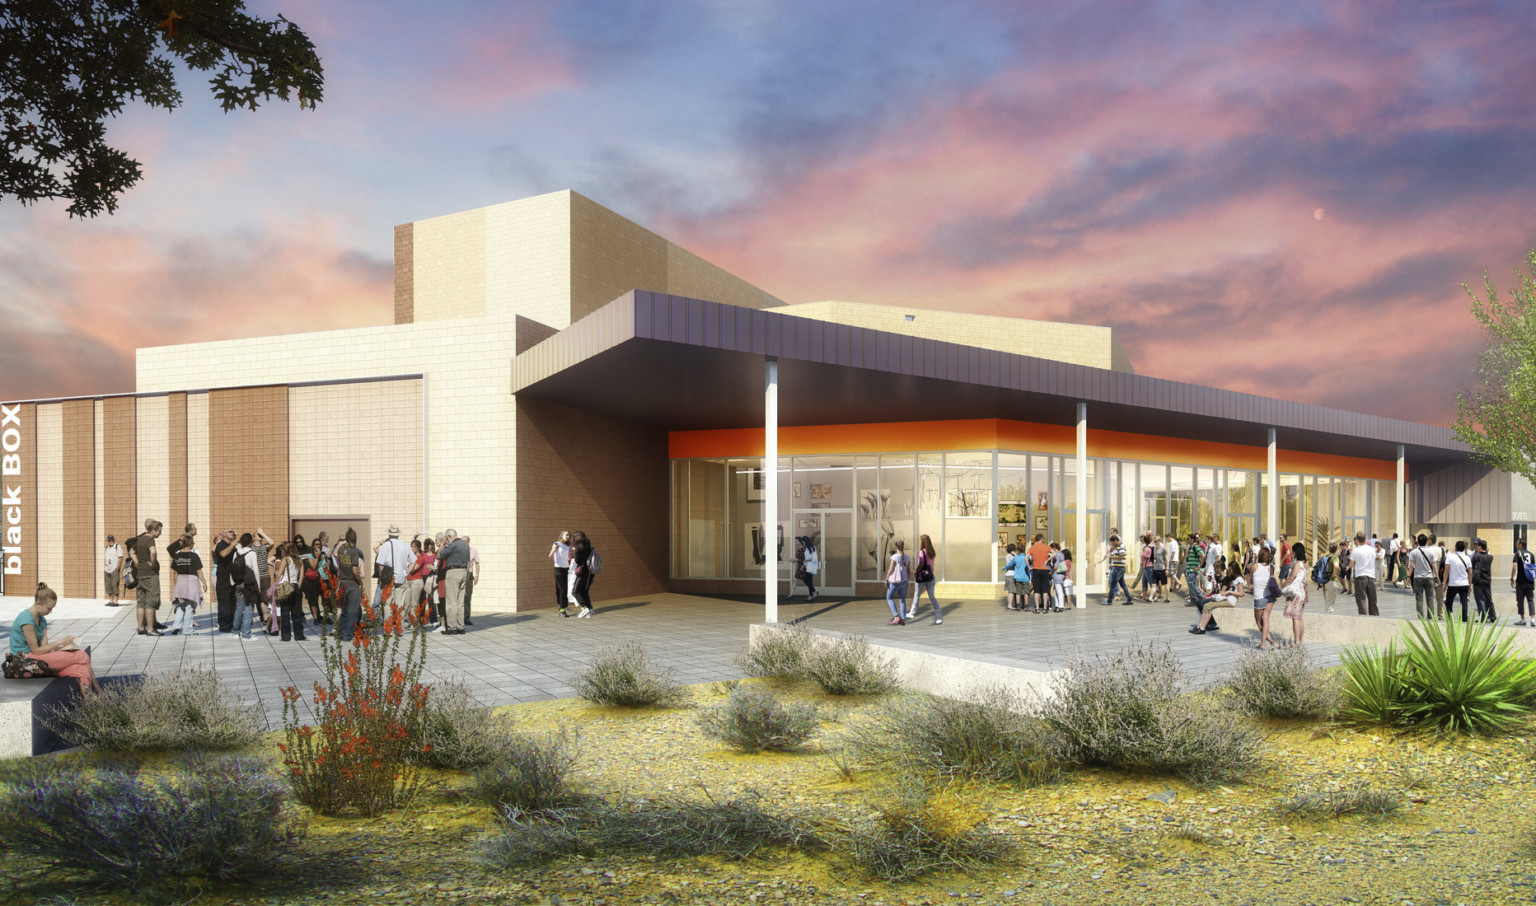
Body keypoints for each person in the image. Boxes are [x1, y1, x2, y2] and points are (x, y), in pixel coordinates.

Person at [10, 583, 102, 693]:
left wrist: (64, 646)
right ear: (38, 604)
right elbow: (35, 651)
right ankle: (100, 692)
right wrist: (60, 641)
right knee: (81, 655)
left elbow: (44, 648)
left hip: (37, 658)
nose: (50, 612)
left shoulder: (41, 620)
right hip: (25, 660)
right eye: (49, 608)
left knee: (82, 670)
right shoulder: (26, 619)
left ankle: (91, 702)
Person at [167, 533, 206, 636]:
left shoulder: (177, 556)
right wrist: (204, 583)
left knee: (180, 606)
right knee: (190, 607)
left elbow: (174, 572)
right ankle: (188, 630)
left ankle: (176, 626)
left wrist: (176, 585)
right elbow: (199, 571)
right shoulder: (194, 556)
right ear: (190, 544)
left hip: (180, 581)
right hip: (192, 581)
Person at [332, 528, 367, 641]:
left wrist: (341, 543)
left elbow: (334, 553)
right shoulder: (354, 552)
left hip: (342, 584)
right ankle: (347, 634)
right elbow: (355, 571)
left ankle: (340, 633)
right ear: (355, 540)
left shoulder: (341, 550)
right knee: (352, 611)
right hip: (352, 584)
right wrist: (360, 583)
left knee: (344, 610)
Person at [130, 519, 163, 636]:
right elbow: (153, 552)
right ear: (153, 530)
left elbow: (131, 552)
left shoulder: (140, 539)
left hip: (140, 574)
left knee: (141, 602)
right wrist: (153, 563)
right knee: (151, 602)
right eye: (159, 531)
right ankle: (150, 629)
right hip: (150, 575)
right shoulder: (150, 539)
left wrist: (138, 563)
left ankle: (140, 628)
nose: (160, 533)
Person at [272, 542, 307, 641]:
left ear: (287, 550)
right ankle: (299, 635)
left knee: (285, 611)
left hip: (285, 586)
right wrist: (298, 586)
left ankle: (286, 636)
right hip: (295, 586)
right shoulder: (299, 560)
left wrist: (274, 586)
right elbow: (301, 575)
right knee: (297, 612)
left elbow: (278, 575)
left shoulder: (286, 560)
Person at [906, 533, 940, 623]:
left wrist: (915, 571)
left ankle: (912, 613)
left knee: (917, 594)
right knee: (932, 596)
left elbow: (921, 564)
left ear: (923, 542)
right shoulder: (932, 552)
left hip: (922, 577)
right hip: (931, 576)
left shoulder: (922, 552)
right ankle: (939, 616)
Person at [1282, 542, 1309, 647]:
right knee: (1300, 617)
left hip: (1296, 593)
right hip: (1303, 592)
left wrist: (1283, 586)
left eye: (1293, 551)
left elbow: (1291, 577)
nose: (1292, 553)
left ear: (1296, 551)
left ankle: (1296, 641)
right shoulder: (1306, 563)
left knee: (1295, 618)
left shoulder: (1298, 564)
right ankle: (1300, 640)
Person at [1408, 534, 1441, 621]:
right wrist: (1437, 577)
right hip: (1429, 577)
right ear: (1426, 541)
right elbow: (1434, 566)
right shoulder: (1430, 552)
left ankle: (1420, 618)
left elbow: (1411, 566)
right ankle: (1430, 618)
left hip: (1418, 577)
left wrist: (1408, 577)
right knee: (1430, 599)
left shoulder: (1414, 552)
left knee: (1419, 599)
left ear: (1418, 542)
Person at [213, 529, 238, 633]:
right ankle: (223, 625)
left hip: (232, 577)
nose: (232, 533)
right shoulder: (220, 544)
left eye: (233, 532)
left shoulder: (233, 545)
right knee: (224, 601)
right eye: (229, 531)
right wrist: (232, 545)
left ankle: (231, 624)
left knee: (232, 601)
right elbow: (223, 554)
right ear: (224, 534)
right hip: (223, 577)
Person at [1349, 532, 1379, 616]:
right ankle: (1375, 617)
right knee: (1372, 599)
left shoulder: (1356, 551)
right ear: (1366, 539)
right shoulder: (1371, 550)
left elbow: (1351, 564)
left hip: (1360, 576)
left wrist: (1350, 566)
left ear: (1357, 540)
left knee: (1361, 599)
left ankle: (1363, 618)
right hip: (1371, 576)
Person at [1252, 547, 1276, 649]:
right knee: (1265, 618)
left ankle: (1267, 642)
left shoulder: (1255, 566)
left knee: (1258, 621)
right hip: (1270, 595)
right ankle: (1267, 642)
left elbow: (1250, 580)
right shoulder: (1271, 567)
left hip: (1259, 597)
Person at [567, 530, 595, 620]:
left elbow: (577, 561)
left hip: (582, 571)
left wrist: (576, 553)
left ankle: (585, 608)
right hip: (589, 571)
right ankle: (590, 609)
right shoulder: (588, 545)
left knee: (575, 591)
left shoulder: (579, 548)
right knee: (583, 591)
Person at [1442, 540, 1473, 623]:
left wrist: (1444, 583)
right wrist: (1470, 584)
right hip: (1464, 584)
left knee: (1449, 602)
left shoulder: (1450, 557)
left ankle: (1449, 618)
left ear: (1455, 548)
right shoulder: (1467, 558)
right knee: (1464, 602)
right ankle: (1464, 619)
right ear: (1464, 548)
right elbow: (1470, 572)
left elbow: (1446, 571)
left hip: (1453, 584)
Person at [885, 538, 909, 626]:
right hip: (905, 581)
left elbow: (891, 569)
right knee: (902, 599)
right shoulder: (907, 557)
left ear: (896, 547)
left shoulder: (895, 557)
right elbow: (908, 570)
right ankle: (902, 618)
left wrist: (887, 578)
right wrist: (906, 580)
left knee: (889, 597)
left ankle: (896, 617)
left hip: (896, 581)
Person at [1471, 538, 1496, 623]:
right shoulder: (1490, 557)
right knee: (1489, 599)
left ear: (1480, 546)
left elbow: (1471, 566)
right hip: (1487, 580)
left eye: (1477, 546)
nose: (1476, 547)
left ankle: (1484, 617)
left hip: (1478, 581)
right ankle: (1493, 616)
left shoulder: (1476, 556)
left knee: (1480, 599)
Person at [549, 531, 572, 617]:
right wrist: (554, 550)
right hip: (558, 569)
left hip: (565, 569)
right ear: (562, 535)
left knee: (563, 590)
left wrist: (569, 552)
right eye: (566, 535)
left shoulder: (567, 546)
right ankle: (562, 611)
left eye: (569, 535)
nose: (568, 536)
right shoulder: (556, 543)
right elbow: (550, 555)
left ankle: (561, 608)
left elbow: (568, 559)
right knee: (563, 590)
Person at [1514, 538, 1536, 627]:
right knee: (1530, 600)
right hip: (1530, 581)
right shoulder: (1531, 554)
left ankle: (1522, 620)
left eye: (1517, 543)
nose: (1516, 545)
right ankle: (1533, 620)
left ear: (1521, 544)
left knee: (1520, 601)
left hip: (1520, 582)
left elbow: (1514, 567)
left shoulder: (1518, 553)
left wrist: (1512, 578)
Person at [1027, 533, 1052, 612]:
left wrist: (1029, 567)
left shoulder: (1032, 547)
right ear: (1041, 538)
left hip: (1036, 569)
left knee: (1036, 590)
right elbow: (1054, 553)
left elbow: (1025, 558)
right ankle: (1045, 608)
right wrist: (1047, 560)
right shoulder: (1047, 547)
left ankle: (1037, 608)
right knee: (1045, 590)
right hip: (1045, 569)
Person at [1104, 534, 1131, 606]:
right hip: (1118, 567)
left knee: (1112, 584)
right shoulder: (1117, 547)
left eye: (1112, 543)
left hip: (1119, 568)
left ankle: (1109, 600)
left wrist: (1112, 557)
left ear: (1116, 541)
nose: (1111, 545)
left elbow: (1121, 557)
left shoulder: (1121, 547)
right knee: (1123, 584)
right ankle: (1129, 599)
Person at [102, 533, 123, 606]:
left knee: (115, 584)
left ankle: (115, 601)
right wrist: (105, 566)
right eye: (109, 540)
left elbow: (120, 558)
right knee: (108, 585)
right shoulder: (106, 548)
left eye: (112, 539)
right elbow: (105, 558)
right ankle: (111, 601)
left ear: (114, 540)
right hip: (107, 569)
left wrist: (117, 568)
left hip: (114, 569)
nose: (110, 541)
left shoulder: (117, 547)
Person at [464, 536, 480, 626]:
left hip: (469, 575)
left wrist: (477, 576)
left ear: (469, 542)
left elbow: (477, 563)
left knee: (468, 596)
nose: (464, 543)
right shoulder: (458, 550)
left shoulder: (473, 551)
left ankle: (466, 617)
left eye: (465, 541)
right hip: (460, 573)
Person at [1051, 545, 1073, 612]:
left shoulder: (1064, 560)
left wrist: (1051, 572)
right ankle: (1066, 605)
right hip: (1065, 576)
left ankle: (1065, 605)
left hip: (1064, 577)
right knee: (1064, 591)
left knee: (1064, 592)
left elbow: (1057, 567)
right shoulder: (1067, 560)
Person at [1002, 543, 1021, 610]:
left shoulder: (1007, 555)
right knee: (1012, 591)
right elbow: (1017, 560)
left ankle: (1013, 604)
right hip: (1011, 575)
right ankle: (1009, 605)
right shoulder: (1010, 556)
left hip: (1009, 574)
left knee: (1011, 591)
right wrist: (1015, 555)